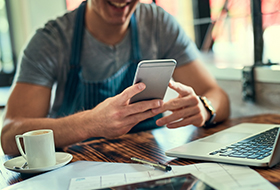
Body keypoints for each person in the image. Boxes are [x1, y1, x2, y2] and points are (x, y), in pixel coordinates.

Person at [1, 0, 230, 155]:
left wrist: (204, 108)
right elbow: (10, 136)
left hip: (150, 162)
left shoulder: (159, 24)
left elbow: (218, 96)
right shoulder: (51, 40)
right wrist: (91, 123)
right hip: (77, 166)